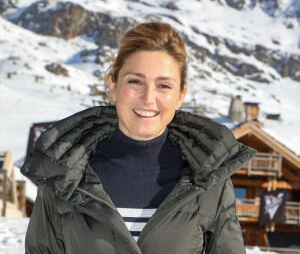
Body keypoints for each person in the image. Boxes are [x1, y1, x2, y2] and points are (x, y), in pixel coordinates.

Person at [21, 22, 256, 254]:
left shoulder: (208, 178)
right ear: (113, 85)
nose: (148, 98)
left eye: (163, 85)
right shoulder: (65, 174)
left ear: (180, 95)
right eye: (135, 81)